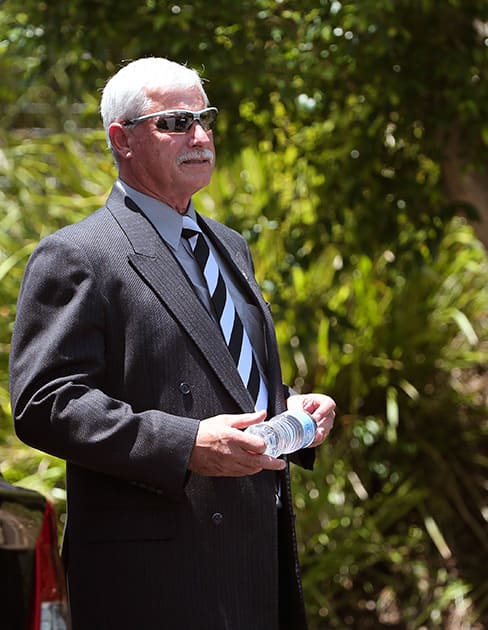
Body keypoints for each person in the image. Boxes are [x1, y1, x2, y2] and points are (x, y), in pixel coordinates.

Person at [9, 57, 336, 630]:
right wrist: (184, 445)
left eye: (205, 118)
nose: (201, 136)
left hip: (255, 563)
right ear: (122, 139)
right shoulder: (78, 254)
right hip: (156, 578)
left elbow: (218, 371)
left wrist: (289, 408)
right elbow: (46, 404)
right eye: (176, 122)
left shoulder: (230, 247)